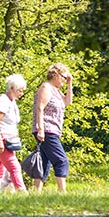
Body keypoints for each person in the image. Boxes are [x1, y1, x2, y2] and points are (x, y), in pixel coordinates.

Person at [31, 63, 73, 193]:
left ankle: (36, 193)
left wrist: (69, 84)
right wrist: (40, 129)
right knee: (61, 160)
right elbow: (40, 108)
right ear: (55, 75)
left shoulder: (56, 91)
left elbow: (68, 102)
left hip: (53, 130)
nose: (64, 80)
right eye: (63, 77)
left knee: (44, 161)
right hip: (46, 129)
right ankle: (62, 192)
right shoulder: (46, 87)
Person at [0, 74, 28, 192]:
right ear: (12, 88)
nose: (21, 93)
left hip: (9, 139)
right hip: (1, 138)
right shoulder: (3, 101)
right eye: (20, 90)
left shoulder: (12, 101)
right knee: (15, 167)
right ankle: (22, 191)